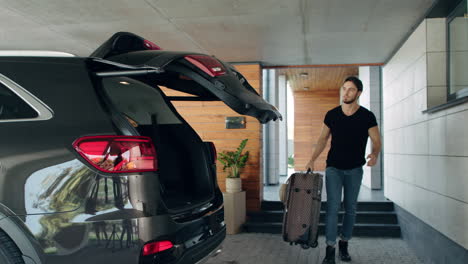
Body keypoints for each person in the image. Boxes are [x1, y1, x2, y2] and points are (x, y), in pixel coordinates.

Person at [306, 76, 381, 264]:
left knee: (350, 209)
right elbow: (323, 139)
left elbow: (376, 140)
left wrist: (375, 154)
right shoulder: (332, 115)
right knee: (332, 208)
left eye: (350, 90)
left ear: (359, 93)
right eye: (344, 88)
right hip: (334, 168)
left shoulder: (367, 116)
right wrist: (312, 159)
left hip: (355, 169)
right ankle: (330, 249)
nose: (346, 93)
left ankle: (344, 244)